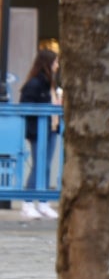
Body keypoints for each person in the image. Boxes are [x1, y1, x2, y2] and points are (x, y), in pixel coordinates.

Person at [18, 49, 60, 220]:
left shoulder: (50, 83)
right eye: (55, 62)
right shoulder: (36, 83)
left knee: (47, 165)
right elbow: (25, 106)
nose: (58, 65)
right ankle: (27, 202)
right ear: (48, 63)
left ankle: (43, 202)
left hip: (51, 127)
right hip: (39, 130)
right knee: (39, 165)